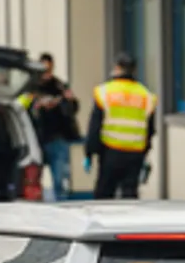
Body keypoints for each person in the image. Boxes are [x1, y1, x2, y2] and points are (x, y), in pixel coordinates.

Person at [85, 53, 157, 200]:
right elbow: (150, 129)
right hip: (135, 153)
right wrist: (145, 152)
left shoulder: (104, 92)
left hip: (110, 152)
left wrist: (89, 153)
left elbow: (95, 126)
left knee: (104, 196)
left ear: (117, 68)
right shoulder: (146, 95)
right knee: (129, 195)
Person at [18, 53, 81, 200]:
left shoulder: (59, 87)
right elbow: (21, 109)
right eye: (44, 70)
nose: (46, 74)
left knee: (60, 180)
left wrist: (65, 101)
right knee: (32, 181)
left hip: (57, 138)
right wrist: (36, 105)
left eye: (49, 70)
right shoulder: (29, 88)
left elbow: (73, 108)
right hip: (35, 140)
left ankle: (62, 203)